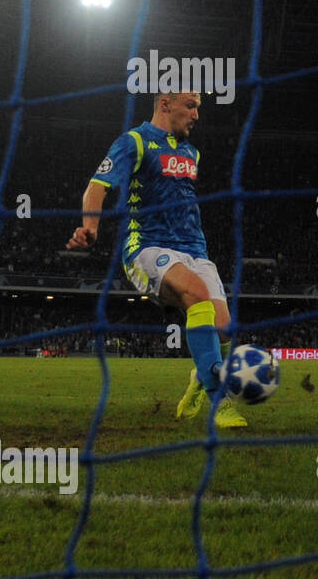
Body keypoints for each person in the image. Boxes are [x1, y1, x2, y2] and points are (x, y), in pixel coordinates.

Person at [67, 91, 245, 428]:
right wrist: (90, 227)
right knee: (196, 294)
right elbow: (97, 186)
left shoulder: (191, 151)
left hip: (196, 250)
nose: (196, 115)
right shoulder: (134, 141)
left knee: (224, 330)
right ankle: (219, 402)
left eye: (198, 108)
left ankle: (200, 374)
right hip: (148, 248)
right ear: (165, 104)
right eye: (190, 106)